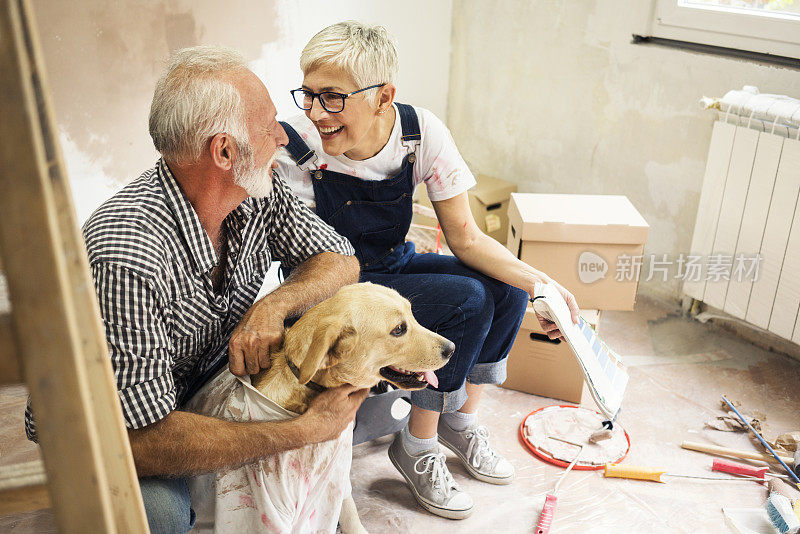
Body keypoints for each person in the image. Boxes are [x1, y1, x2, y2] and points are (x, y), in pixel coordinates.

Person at [24, 45, 368, 534]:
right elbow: (143, 438)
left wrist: (274, 304)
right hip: (113, 427)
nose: (282, 137)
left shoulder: (256, 193)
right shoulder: (127, 257)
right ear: (224, 151)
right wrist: (298, 432)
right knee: (159, 516)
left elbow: (338, 259)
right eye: (269, 124)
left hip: (194, 381)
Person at [275, 21, 581, 520]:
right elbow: (309, 264)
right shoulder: (294, 148)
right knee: (468, 299)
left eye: (331, 98)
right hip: (335, 285)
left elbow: (466, 237)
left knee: (506, 291)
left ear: (382, 96)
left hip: (392, 264)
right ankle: (417, 447)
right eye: (308, 95)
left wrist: (542, 283)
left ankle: (458, 419)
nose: (314, 113)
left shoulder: (418, 134)